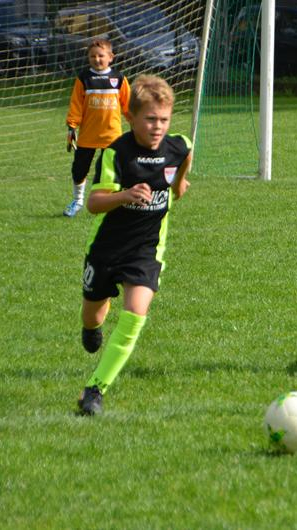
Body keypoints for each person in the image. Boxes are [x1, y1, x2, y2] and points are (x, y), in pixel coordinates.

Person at [76, 75, 192, 415]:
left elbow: (186, 156)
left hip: (147, 250)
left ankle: (95, 389)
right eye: (150, 119)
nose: (158, 127)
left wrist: (180, 183)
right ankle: (91, 328)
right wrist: (125, 195)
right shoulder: (117, 153)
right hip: (107, 248)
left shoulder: (177, 146)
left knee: (135, 315)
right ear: (131, 118)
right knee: (93, 314)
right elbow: (94, 203)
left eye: (164, 120)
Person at [63, 39, 131, 217]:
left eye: (101, 55)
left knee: (111, 171)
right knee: (79, 170)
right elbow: (76, 104)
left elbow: (128, 106)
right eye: (92, 56)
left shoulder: (119, 79)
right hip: (88, 136)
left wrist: (136, 124)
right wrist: (72, 126)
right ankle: (77, 201)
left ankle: (112, 203)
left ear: (111, 57)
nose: (97, 59)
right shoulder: (84, 78)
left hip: (112, 136)